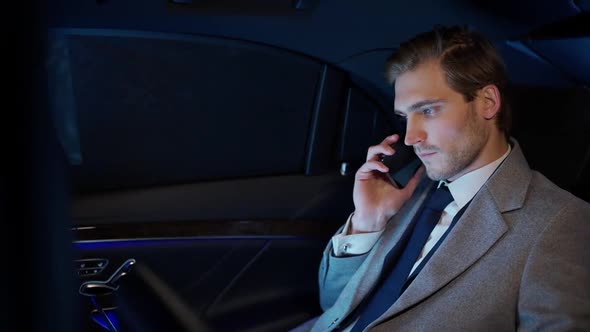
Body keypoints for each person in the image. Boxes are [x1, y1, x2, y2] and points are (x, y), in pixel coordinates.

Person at [294, 26, 590, 331]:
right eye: (405, 117)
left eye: (429, 110)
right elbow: (333, 308)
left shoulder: (560, 221)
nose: (410, 137)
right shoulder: (406, 182)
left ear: (488, 102)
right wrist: (368, 223)